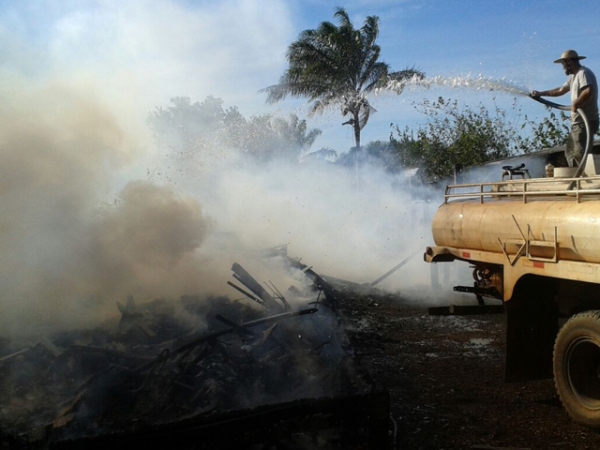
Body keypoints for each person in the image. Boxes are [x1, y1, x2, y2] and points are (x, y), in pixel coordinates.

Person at [531, 50, 599, 167]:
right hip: (578, 122)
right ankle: (577, 176)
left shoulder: (583, 73)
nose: (563, 68)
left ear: (569, 62)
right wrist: (540, 93)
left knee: (579, 152)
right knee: (570, 151)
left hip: (585, 120)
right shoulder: (574, 77)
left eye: (563, 64)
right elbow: (560, 90)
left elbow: (588, 91)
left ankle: (584, 179)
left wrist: (576, 103)